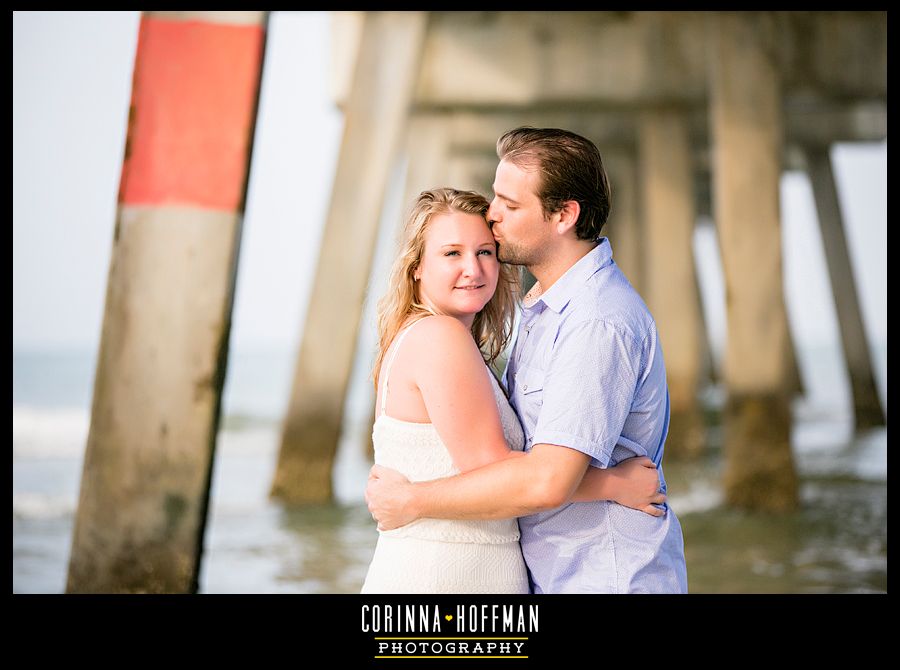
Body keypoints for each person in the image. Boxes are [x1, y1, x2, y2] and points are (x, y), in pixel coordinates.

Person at [366, 128, 688, 593]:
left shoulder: (594, 321)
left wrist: (414, 499)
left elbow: (542, 478)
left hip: (603, 578)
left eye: (509, 205)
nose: (492, 215)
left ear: (563, 215)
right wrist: (611, 483)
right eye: (451, 254)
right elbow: (508, 468)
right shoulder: (509, 321)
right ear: (417, 265)